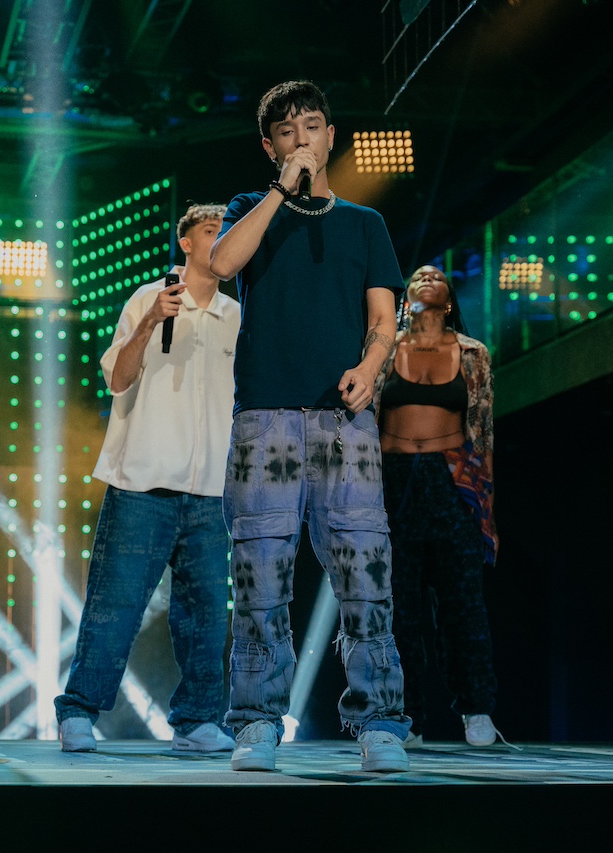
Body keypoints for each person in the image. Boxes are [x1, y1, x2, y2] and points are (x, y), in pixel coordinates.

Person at [209, 79, 411, 773]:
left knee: (364, 573)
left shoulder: (365, 223)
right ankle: (257, 722)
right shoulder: (250, 209)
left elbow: (383, 319)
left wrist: (372, 366)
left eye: (313, 126)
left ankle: (380, 721)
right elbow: (222, 263)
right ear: (270, 146)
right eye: (287, 131)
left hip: (343, 419)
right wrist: (279, 191)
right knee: (259, 577)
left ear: (331, 136)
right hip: (265, 418)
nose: (303, 139)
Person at [54, 204, 240, 754]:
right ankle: (78, 711)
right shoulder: (148, 298)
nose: (220, 241)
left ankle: (197, 720)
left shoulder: (236, 313)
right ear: (186, 243)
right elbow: (116, 378)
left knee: (207, 615)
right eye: (210, 232)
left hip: (212, 491)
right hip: (143, 484)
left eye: (227, 233)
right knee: (114, 606)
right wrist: (151, 321)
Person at [373, 265, 502, 748]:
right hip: (393, 480)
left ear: (448, 300)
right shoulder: (383, 349)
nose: (427, 276)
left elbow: (484, 431)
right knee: (398, 606)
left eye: (437, 275)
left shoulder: (473, 353)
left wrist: (486, 508)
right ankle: (405, 714)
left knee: (462, 603)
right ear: (405, 297)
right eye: (419, 275)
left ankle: (476, 708)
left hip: (453, 480)